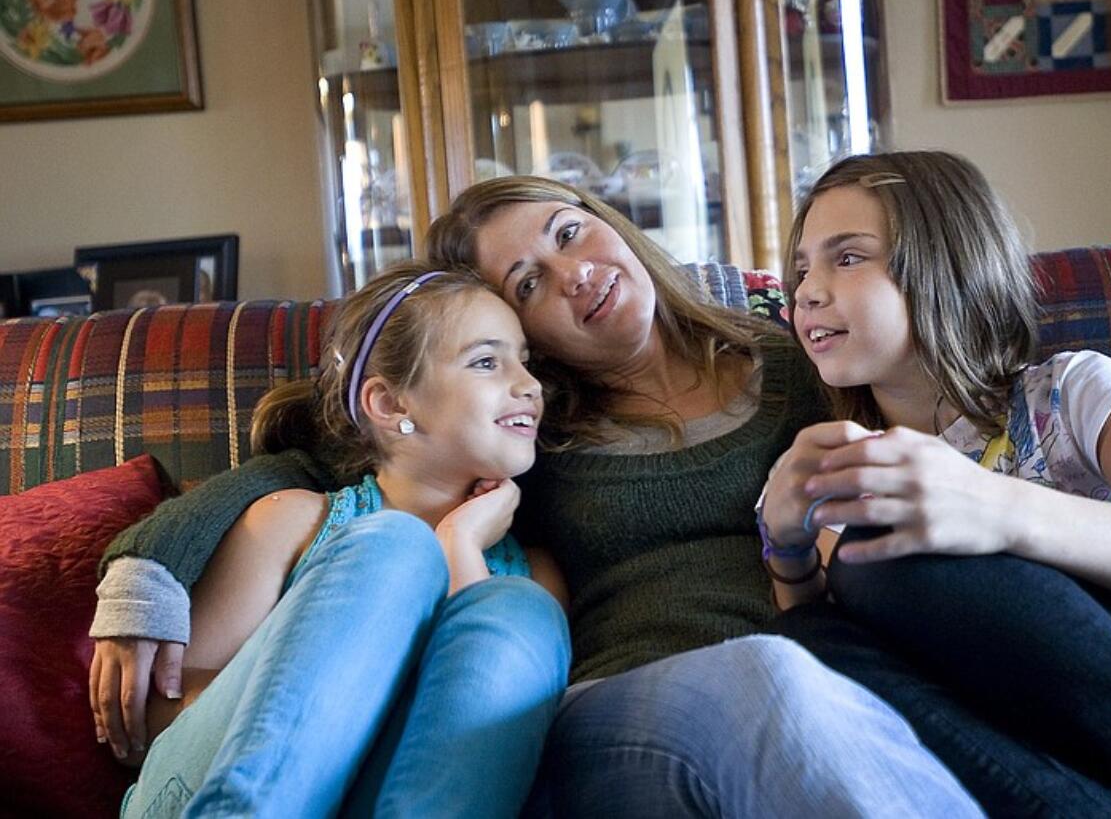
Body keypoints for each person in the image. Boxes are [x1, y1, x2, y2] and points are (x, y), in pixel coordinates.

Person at [91, 177, 982, 817]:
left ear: (607, 220)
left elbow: (963, 403)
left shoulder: (803, 358)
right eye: (528, 285)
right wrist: (150, 559)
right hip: (630, 708)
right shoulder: (535, 434)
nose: (573, 273)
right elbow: (331, 463)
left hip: (826, 697)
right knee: (765, 677)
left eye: (568, 233)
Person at [760, 150, 1111, 814]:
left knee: (888, 550)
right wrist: (788, 549)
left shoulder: (1067, 393)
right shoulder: (834, 466)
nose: (806, 289)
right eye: (802, 267)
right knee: (806, 637)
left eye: (848, 257)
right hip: (1039, 751)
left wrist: (1001, 509)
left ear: (944, 266)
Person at [95, 262, 571, 816]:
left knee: (516, 610)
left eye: (525, 361)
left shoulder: (536, 573)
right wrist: (319, 676)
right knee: (392, 547)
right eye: (487, 362)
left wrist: (460, 545)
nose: (529, 385)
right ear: (391, 405)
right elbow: (152, 721)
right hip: (202, 789)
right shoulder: (292, 522)